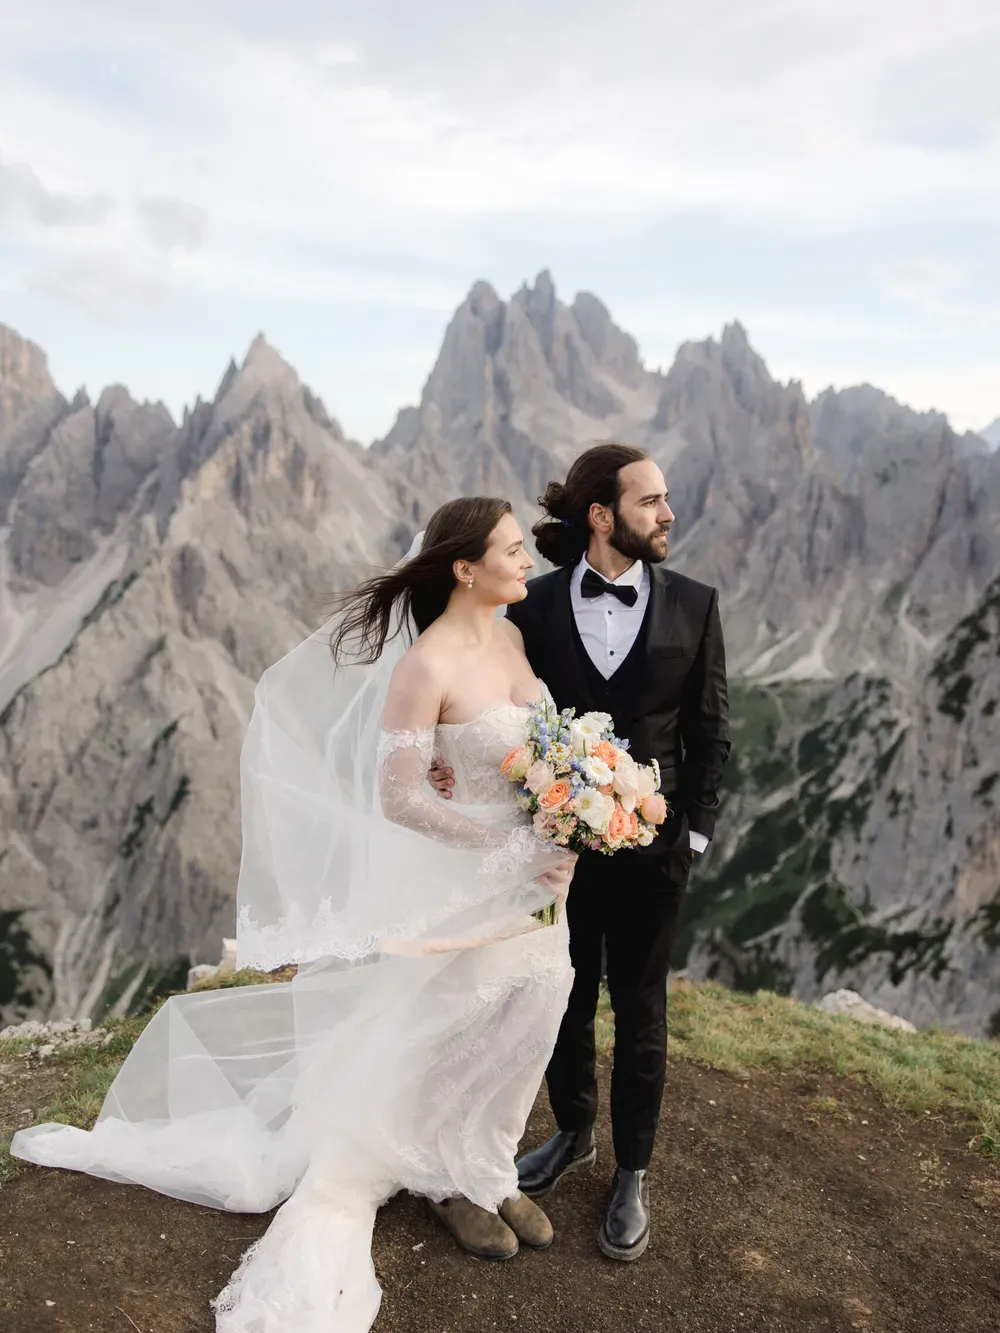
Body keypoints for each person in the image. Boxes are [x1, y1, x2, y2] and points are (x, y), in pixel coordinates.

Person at [12, 498, 577, 1332]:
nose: (527, 557)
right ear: (465, 567)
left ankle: (487, 1162)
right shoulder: (426, 663)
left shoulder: (516, 640)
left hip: (535, 878)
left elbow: (525, 756)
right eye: (511, 547)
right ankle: (436, 1178)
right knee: (447, 1021)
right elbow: (398, 796)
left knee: (533, 1005)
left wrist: (566, 814)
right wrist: (505, 850)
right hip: (468, 877)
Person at [429, 443, 730, 1262]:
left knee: (641, 1012)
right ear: (602, 516)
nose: (668, 514)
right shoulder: (534, 604)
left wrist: (691, 834)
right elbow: (477, 671)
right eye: (651, 501)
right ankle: (573, 1132)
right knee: (562, 993)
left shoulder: (697, 605)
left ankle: (632, 1171)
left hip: (656, 852)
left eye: (666, 499)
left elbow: (711, 731)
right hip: (554, 849)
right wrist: (437, 752)